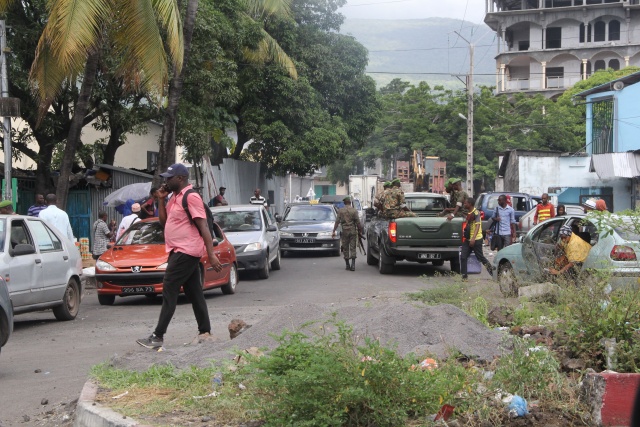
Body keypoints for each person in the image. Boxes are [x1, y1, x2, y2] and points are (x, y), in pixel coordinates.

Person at [137, 163, 222, 349]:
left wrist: (211, 254)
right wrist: (160, 199)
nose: (166, 181)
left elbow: (203, 227)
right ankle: (205, 331)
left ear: (181, 178)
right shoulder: (174, 197)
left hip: (187, 250)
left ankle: (157, 336)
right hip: (177, 249)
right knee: (194, 292)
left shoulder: (191, 197)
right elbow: (164, 222)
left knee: (169, 288)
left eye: (169, 178)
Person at [460, 198, 494, 280]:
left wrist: (473, 239)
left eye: (466, 203)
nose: (464, 205)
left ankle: (493, 274)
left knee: (480, 257)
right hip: (468, 239)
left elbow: (477, 226)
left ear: (470, 204)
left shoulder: (476, 213)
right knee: (463, 257)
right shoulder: (469, 213)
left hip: (476, 239)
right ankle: (464, 276)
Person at [332, 196, 363, 271]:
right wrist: (360, 231)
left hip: (344, 231)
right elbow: (358, 222)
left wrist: (333, 230)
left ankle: (347, 265)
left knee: (345, 248)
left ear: (344, 203)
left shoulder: (340, 211)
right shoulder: (354, 211)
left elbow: (337, 222)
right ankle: (353, 265)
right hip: (352, 231)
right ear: (350, 202)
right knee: (353, 248)